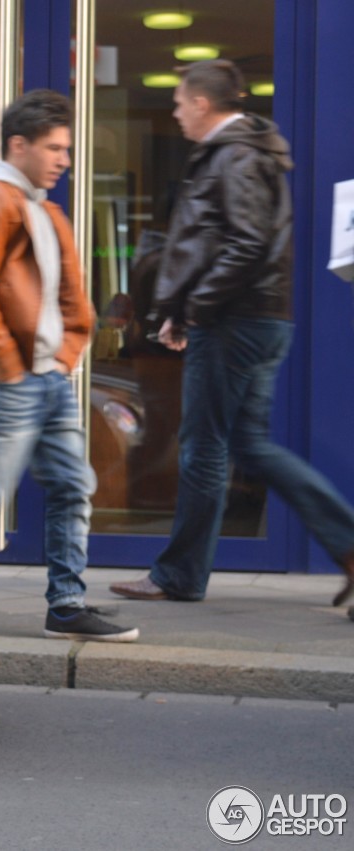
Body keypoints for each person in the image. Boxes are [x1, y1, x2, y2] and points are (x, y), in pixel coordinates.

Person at [109, 60, 354, 606]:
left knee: (203, 448)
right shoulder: (242, 153)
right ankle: (347, 544)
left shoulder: (235, 156)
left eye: (178, 103)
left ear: (201, 103)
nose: (174, 113)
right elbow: (220, 244)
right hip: (254, 318)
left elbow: (245, 244)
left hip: (236, 322)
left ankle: (177, 575)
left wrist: (195, 308)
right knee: (248, 445)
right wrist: (179, 309)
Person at [0, 88, 138, 642]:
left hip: (46, 377)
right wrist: (10, 367)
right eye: (55, 148)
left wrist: (66, 352)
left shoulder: (37, 205)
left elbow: (65, 297)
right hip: (10, 379)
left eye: (66, 148)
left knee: (74, 484)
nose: (64, 159)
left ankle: (67, 605)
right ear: (18, 144)